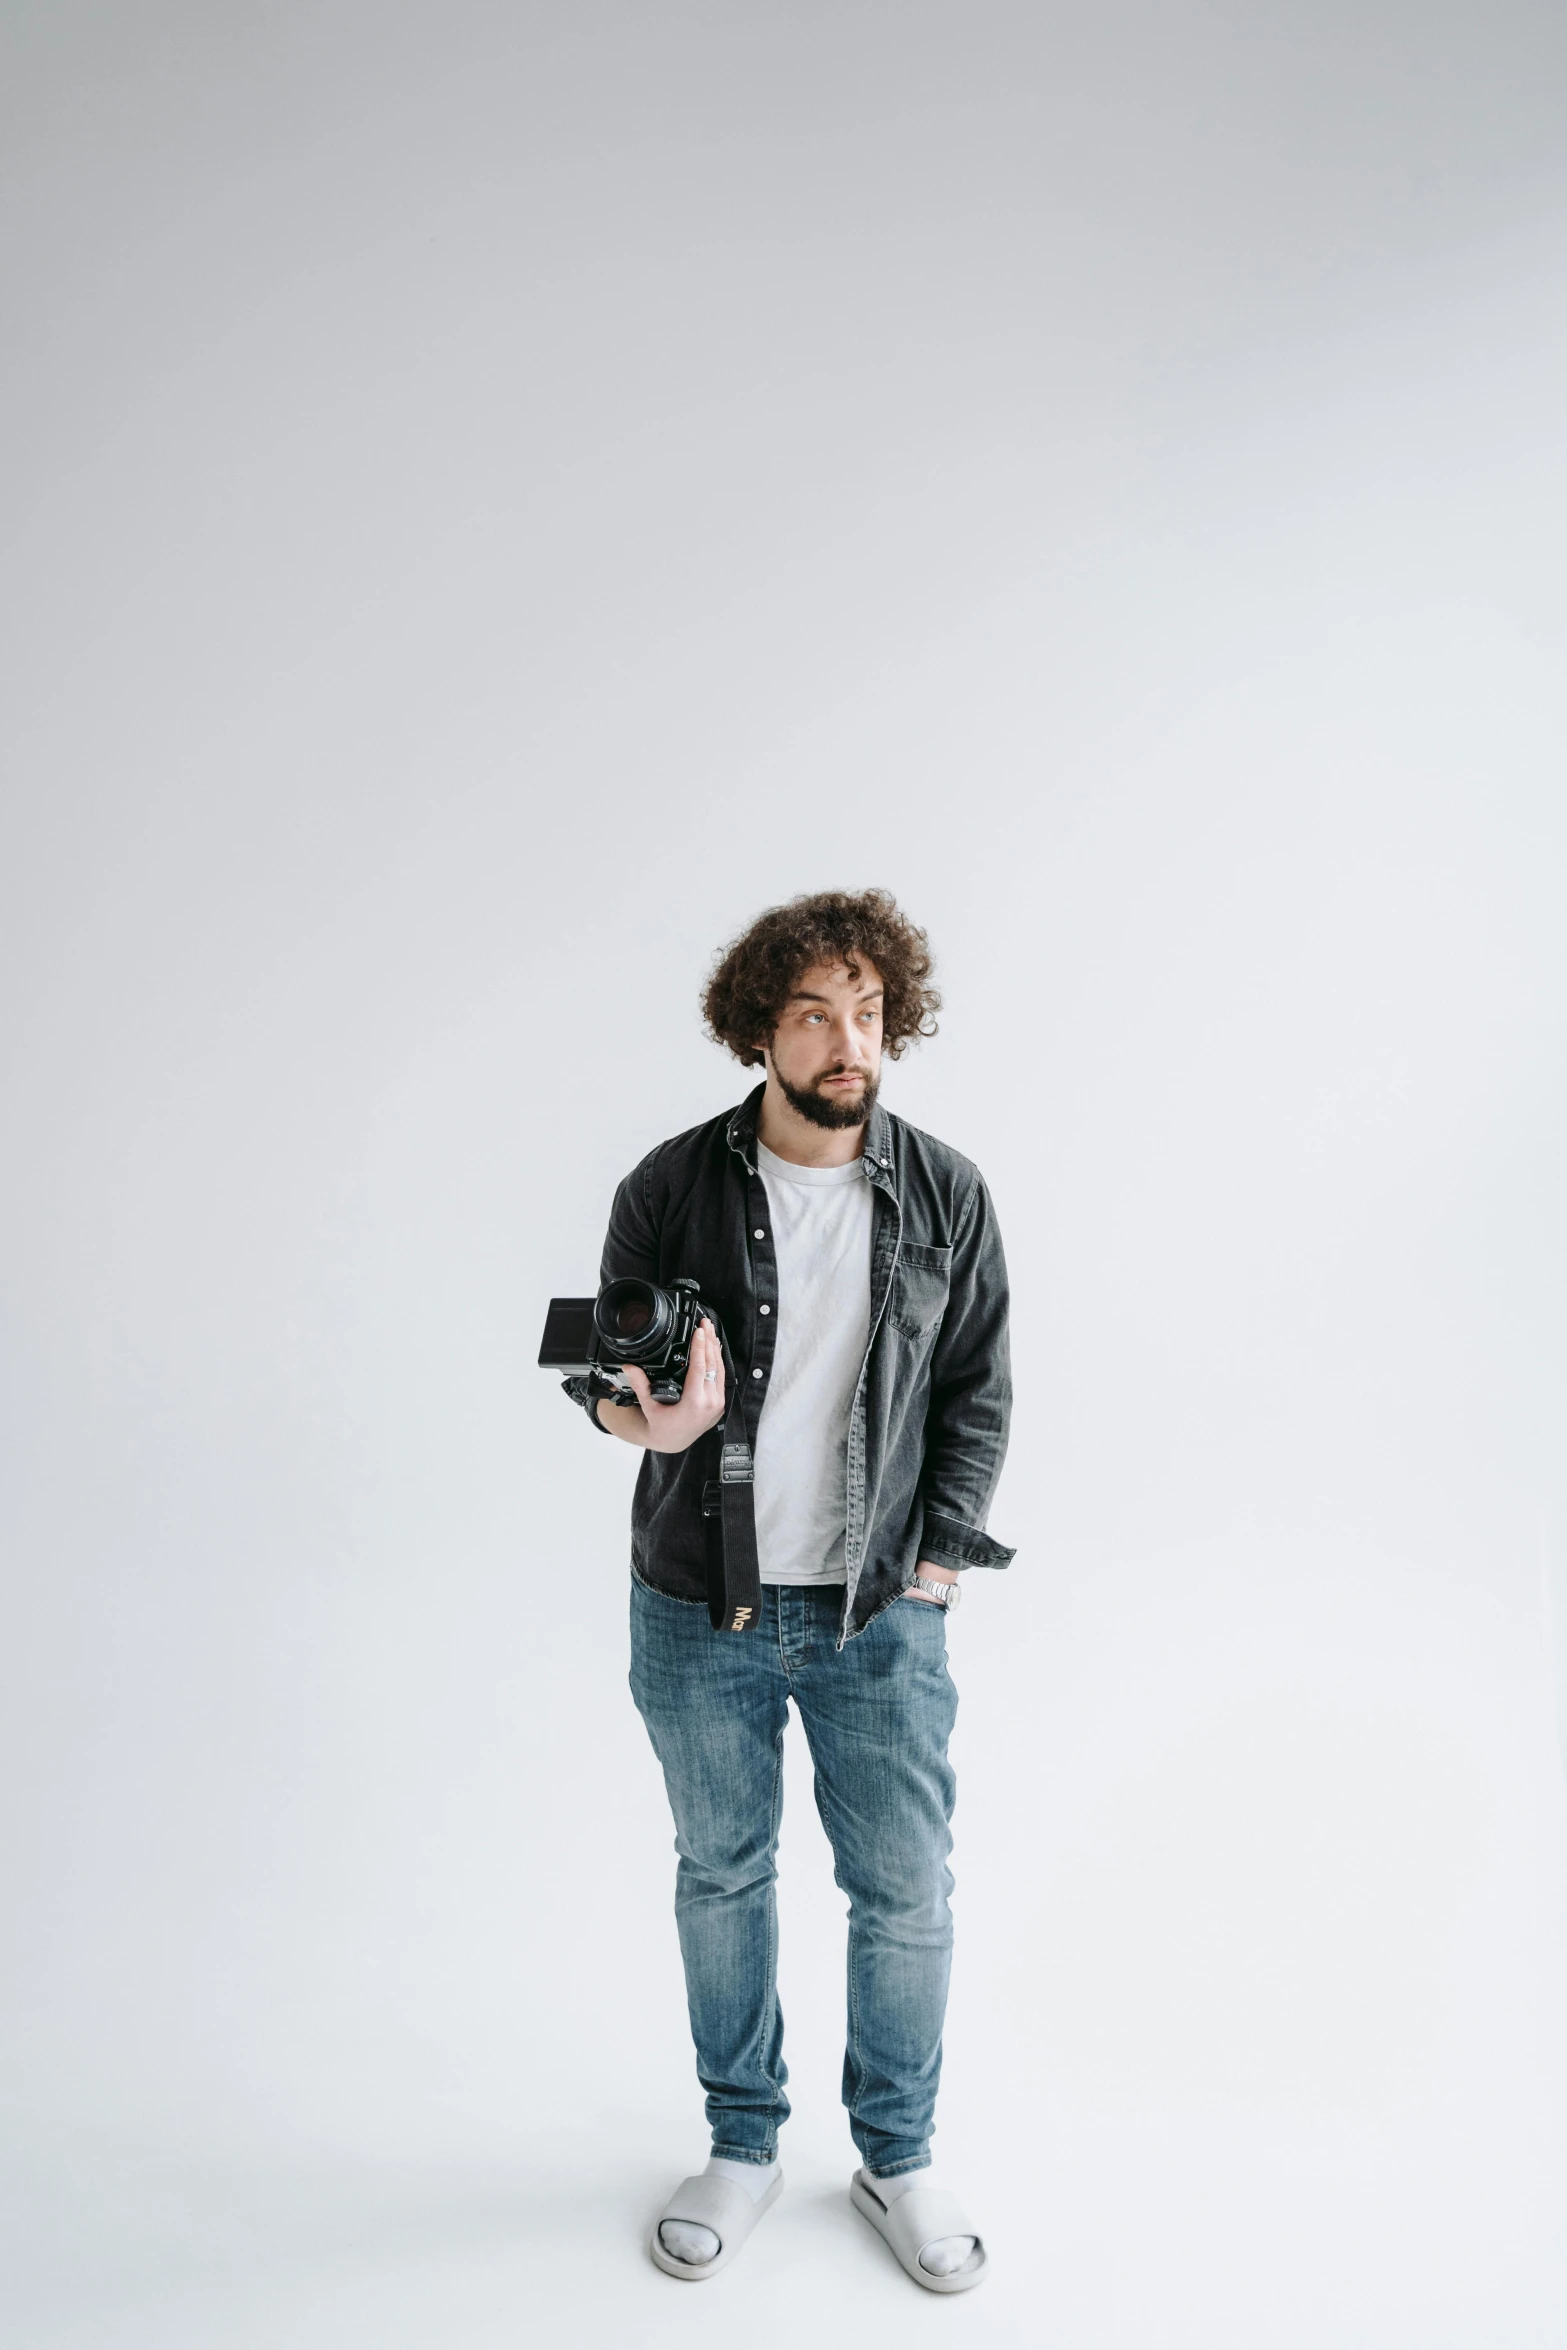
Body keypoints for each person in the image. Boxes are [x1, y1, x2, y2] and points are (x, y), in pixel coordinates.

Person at [573, 888, 1013, 2293]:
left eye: (868, 1012)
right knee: (723, 1872)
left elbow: (975, 1390)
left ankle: (897, 2151)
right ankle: (743, 2142)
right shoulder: (667, 1184)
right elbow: (606, 1381)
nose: (847, 1039)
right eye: (816, 1011)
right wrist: (648, 1426)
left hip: (883, 1611)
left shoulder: (944, 1188)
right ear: (759, 1024)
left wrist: (937, 1560)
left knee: (902, 1887)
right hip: (702, 1603)